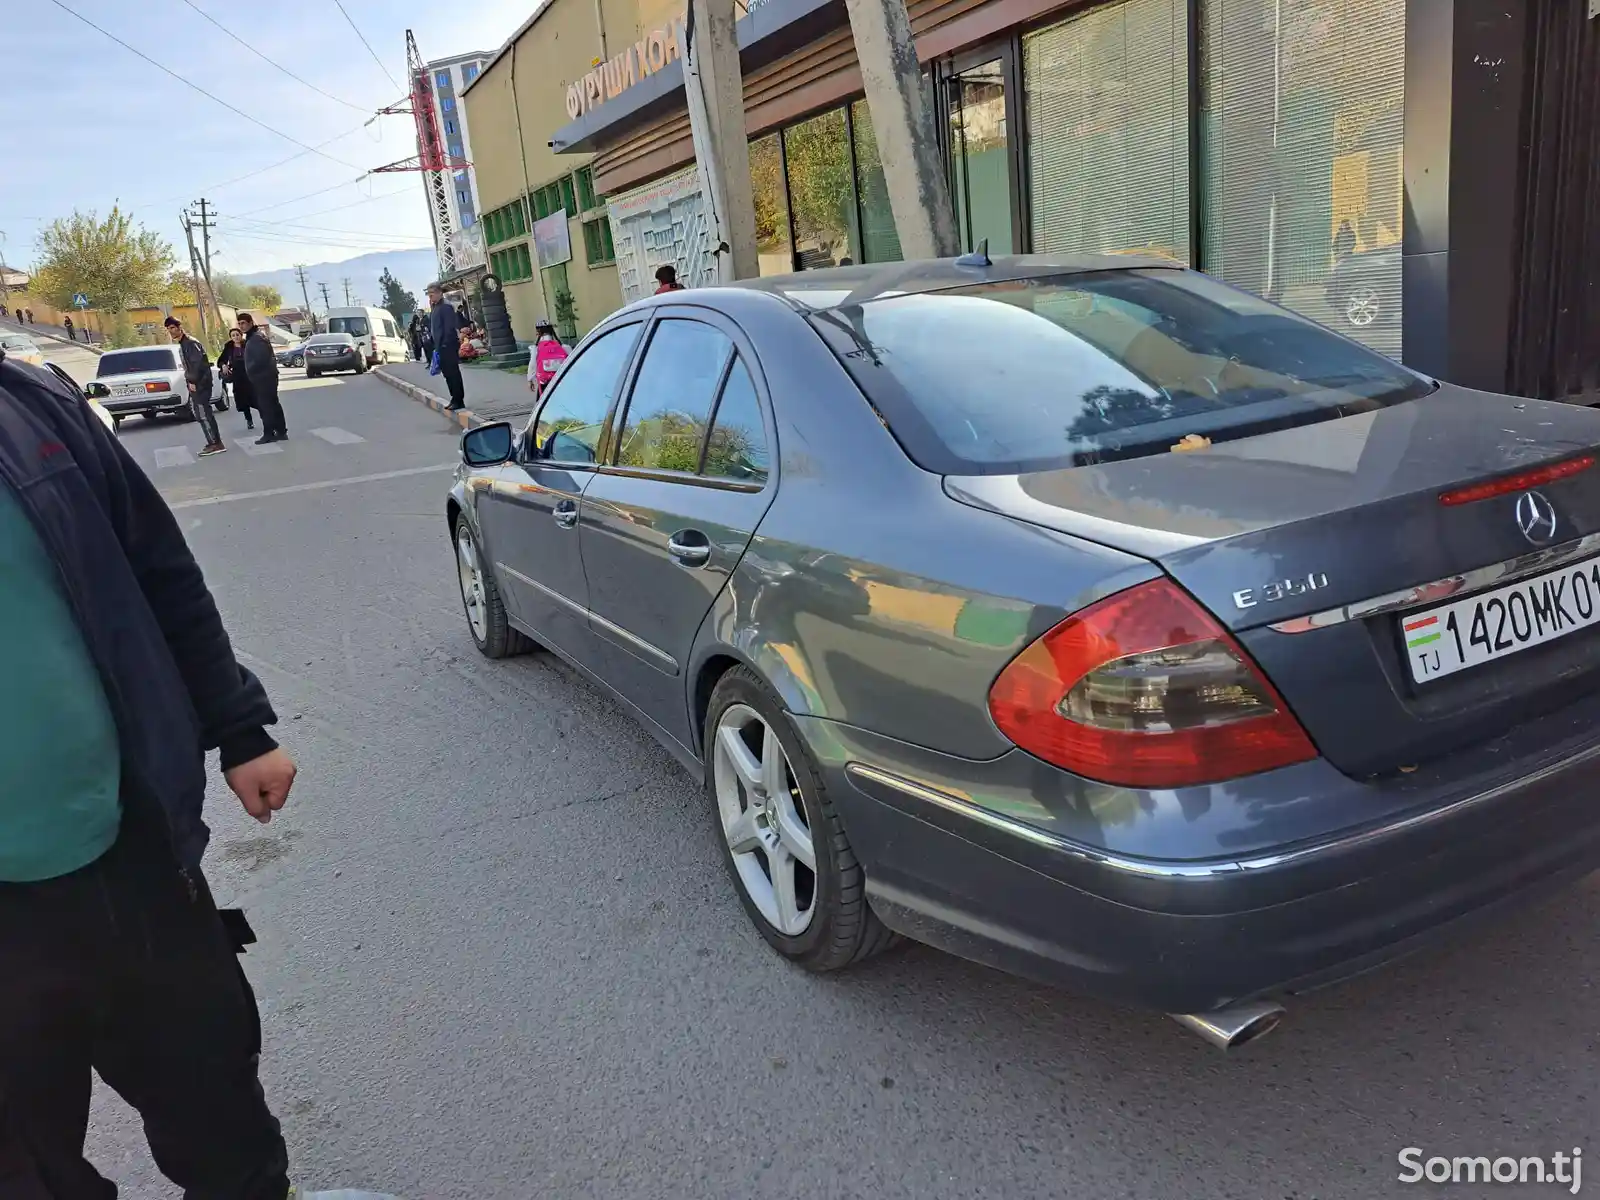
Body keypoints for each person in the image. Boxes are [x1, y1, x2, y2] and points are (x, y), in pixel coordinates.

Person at [0, 345, 399, 1200]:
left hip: (132, 855)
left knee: (215, 1101)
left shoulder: (31, 403)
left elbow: (158, 571)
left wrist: (239, 725)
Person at [165, 316, 226, 457]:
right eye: (169, 329)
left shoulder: (190, 343)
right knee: (201, 414)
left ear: (180, 327)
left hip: (201, 383)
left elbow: (198, 364)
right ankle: (212, 442)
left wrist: (192, 380)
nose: (171, 331)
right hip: (197, 383)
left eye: (173, 328)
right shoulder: (184, 343)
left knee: (204, 414)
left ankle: (216, 443)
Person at [236, 313, 286, 445]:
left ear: (250, 323)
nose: (241, 326)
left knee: (266, 406)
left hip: (264, 377)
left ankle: (269, 433)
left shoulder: (257, 337)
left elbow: (260, 359)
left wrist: (250, 371)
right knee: (273, 404)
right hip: (265, 376)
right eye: (239, 323)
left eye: (243, 323)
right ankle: (281, 431)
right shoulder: (253, 336)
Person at [427, 284, 465, 411]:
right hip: (440, 347)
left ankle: (459, 399)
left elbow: (449, 328)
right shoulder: (435, 307)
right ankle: (454, 398)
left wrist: (444, 343)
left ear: (439, 293)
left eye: (432, 293)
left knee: (453, 373)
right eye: (429, 294)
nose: (430, 296)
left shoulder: (446, 307)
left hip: (447, 346)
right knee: (447, 374)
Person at [218, 328, 255, 433]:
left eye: (237, 335)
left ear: (241, 335)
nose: (235, 337)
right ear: (231, 337)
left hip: (249, 374)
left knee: (255, 398)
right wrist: (224, 365)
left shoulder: (248, 344)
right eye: (233, 335)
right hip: (237, 376)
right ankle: (249, 420)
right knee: (243, 400)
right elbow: (221, 360)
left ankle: (265, 418)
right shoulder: (229, 347)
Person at [527, 318, 568, 399]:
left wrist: (530, 380)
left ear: (538, 332)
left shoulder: (536, 349)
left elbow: (533, 365)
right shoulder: (564, 347)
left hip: (544, 382)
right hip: (562, 381)